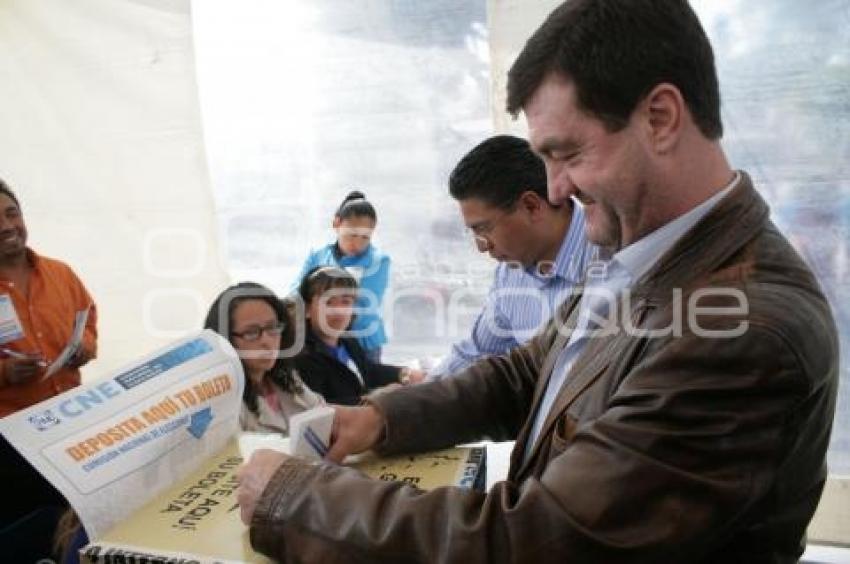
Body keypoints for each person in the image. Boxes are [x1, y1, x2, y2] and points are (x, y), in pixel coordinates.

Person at [236, 1, 839, 562]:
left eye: (568, 155)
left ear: (660, 117)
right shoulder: (645, 257)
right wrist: (382, 419)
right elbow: (527, 373)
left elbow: (537, 540)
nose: (553, 192)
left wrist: (298, 499)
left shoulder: (742, 329)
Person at [429, 134, 595, 379]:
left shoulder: (613, 254)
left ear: (531, 206)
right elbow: (476, 353)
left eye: (483, 228)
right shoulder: (511, 275)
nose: (482, 247)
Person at [0, 180, 98, 560]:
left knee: (73, 521)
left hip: (71, 426)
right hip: (12, 443)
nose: (8, 226)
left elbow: (88, 323)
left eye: (12, 213)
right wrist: (6, 373)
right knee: (33, 532)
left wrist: (83, 349)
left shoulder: (60, 273)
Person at [204, 282, 325, 435]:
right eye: (251, 332)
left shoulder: (286, 377)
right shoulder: (222, 402)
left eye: (272, 327)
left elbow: (324, 417)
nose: (266, 341)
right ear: (225, 340)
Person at [293, 266, 425, 405]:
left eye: (346, 302)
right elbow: (320, 409)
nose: (339, 311)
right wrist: (377, 399)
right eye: (328, 302)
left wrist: (404, 374)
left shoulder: (347, 340)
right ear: (306, 309)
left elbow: (367, 370)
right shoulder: (303, 356)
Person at [291, 191, 390, 362]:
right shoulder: (317, 255)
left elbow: (365, 303)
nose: (357, 243)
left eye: (365, 237)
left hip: (361, 340)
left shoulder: (378, 261)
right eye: (352, 234)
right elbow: (297, 291)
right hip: (322, 338)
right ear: (336, 224)